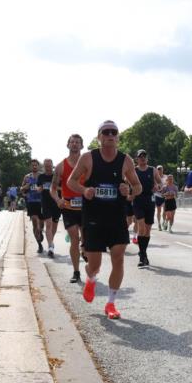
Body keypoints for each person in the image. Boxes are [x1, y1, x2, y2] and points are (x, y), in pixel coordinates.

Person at [66, 120, 142, 320]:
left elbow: (138, 186)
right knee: (95, 264)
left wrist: (129, 190)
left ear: (118, 137)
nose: (110, 135)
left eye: (113, 132)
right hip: (93, 218)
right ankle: (91, 278)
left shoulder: (125, 160)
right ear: (99, 136)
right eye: (105, 132)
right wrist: (84, 190)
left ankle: (111, 303)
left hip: (116, 217)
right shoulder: (88, 158)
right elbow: (71, 181)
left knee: (118, 256)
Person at [50, 134, 85, 283]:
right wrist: (58, 200)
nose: (75, 144)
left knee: (86, 239)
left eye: (77, 142)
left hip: (86, 206)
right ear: (68, 145)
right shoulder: (61, 166)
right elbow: (52, 189)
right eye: (72, 142)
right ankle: (76, 272)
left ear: (81, 146)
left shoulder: (87, 163)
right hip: (68, 207)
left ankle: (85, 248)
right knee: (74, 239)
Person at [132, 150, 162, 267]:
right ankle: (142, 256)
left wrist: (158, 186)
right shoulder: (134, 170)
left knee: (147, 230)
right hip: (138, 200)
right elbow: (125, 181)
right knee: (142, 227)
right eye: (140, 157)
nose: (143, 158)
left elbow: (160, 183)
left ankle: (143, 253)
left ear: (147, 158)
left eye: (144, 156)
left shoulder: (152, 170)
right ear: (137, 159)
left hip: (150, 201)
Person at [37, 159, 61, 257]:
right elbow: (38, 188)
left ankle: (51, 241)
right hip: (45, 203)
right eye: (46, 166)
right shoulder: (41, 177)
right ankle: (50, 246)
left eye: (49, 166)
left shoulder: (57, 176)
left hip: (56, 202)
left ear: (52, 166)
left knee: (54, 225)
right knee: (48, 224)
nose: (48, 168)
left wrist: (54, 187)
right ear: (44, 167)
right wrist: (40, 188)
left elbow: (62, 188)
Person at [21, 159, 45, 253]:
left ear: (38, 166)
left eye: (36, 165)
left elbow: (47, 187)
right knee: (35, 222)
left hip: (41, 202)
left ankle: (40, 231)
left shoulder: (42, 176)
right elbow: (21, 189)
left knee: (41, 224)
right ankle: (39, 244)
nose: (34, 166)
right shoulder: (27, 177)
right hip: (31, 202)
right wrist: (25, 187)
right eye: (32, 165)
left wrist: (42, 189)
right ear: (30, 167)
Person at [153, 165, 166, 230]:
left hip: (165, 196)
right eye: (158, 169)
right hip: (158, 195)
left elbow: (168, 185)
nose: (160, 170)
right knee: (159, 210)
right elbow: (154, 186)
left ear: (163, 169)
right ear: (156, 170)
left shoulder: (166, 177)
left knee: (165, 210)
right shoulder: (155, 178)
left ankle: (164, 222)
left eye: (160, 169)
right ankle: (159, 224)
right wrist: (158, 189)